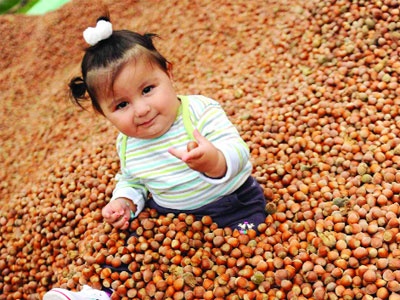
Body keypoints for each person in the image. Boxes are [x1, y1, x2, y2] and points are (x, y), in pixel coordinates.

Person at [43, 14, 266, 300]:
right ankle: (99, 293)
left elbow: (239, 152)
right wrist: (124, 201)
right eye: (122, 104)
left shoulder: (200, 112)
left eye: (148, 90)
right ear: (104, 113)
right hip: (168, 218)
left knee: (244, 248)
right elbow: (132, 179)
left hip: (234, 206)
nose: (141, 109)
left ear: (169, 74)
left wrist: (214, 161)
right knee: (127, 249)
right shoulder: (128, 143)